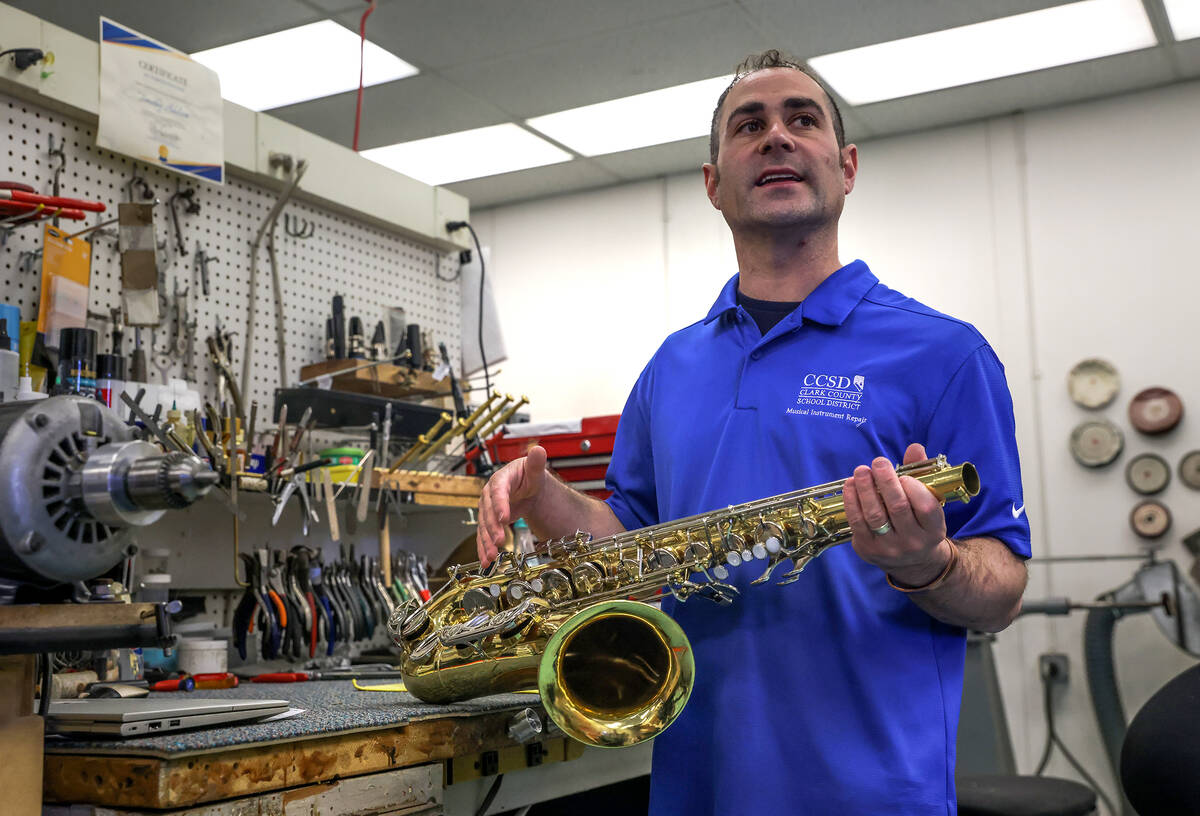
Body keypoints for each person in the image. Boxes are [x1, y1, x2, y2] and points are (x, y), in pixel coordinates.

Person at [477, 50, 1030, 815]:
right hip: (692, 787)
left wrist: (928, 563)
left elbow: (1002, 589)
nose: (777, 137)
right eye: (750, 125)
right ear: (712, 183)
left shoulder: (946, 355)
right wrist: (545, 497)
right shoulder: (671, 366)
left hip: (870, 794)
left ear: (846, 166)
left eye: (803, 120)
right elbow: (629, 541)